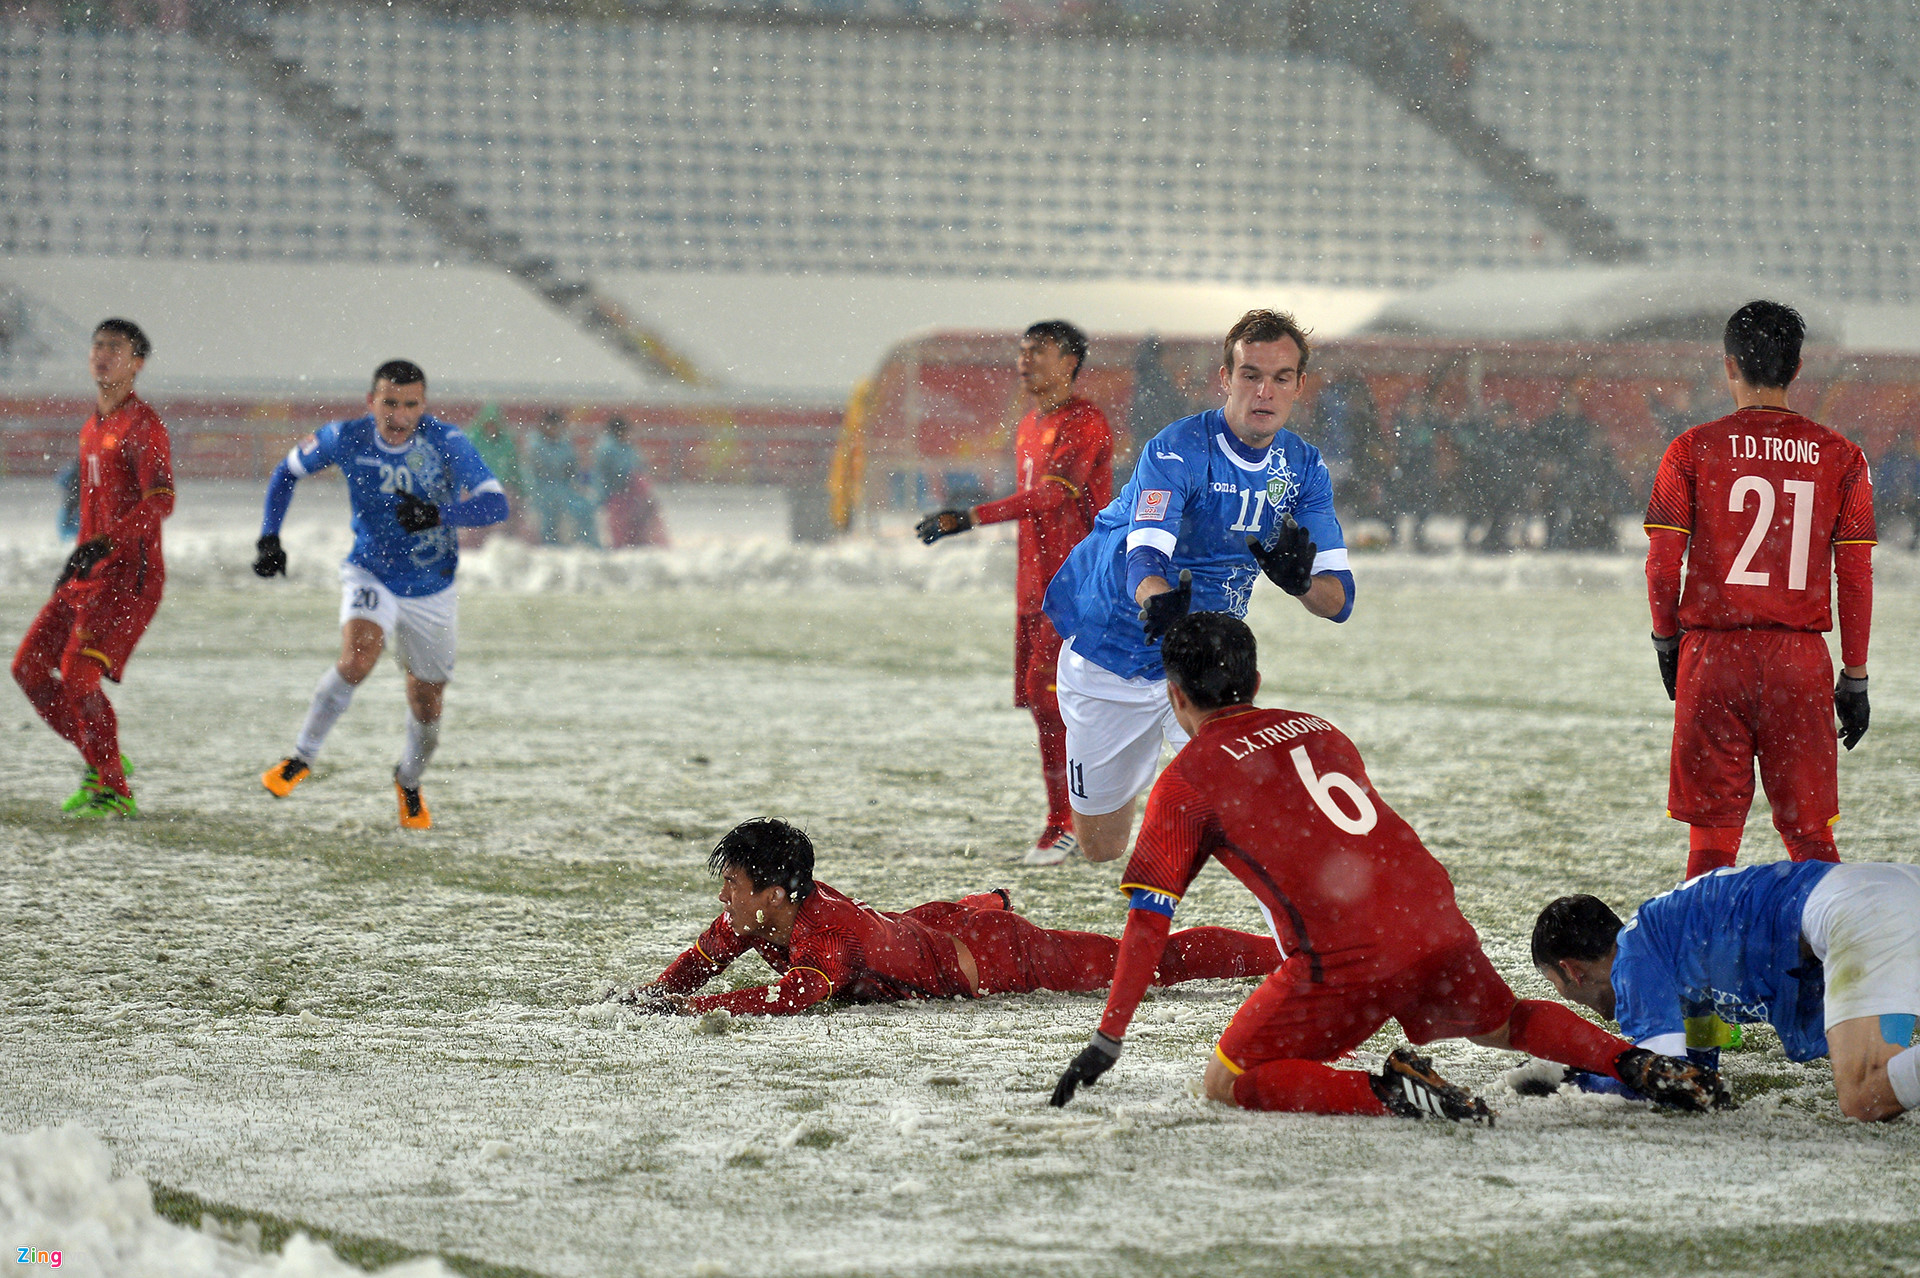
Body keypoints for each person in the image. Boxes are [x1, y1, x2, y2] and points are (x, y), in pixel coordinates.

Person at [1048, 613, 1728, 1119]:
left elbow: (1149, 921)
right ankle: (1638, 1064)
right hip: (1431, 917)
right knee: (1507, 1023)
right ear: (1255, 681)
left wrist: (1109, 1038)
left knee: (1229, 1080)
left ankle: (1392, 1093)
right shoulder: (1320, 728)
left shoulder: (1187, 780)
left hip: (1346, 958)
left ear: (1175, 697)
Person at [1040, 309, 1354, 867]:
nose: (1264, 391)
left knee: (1253, 820)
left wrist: (1302, 581)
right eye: (1250, 375)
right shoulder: (1176, 449)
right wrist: (1159, 602)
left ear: (1300, 385)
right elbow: (1143, 556)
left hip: (1206, 664)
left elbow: (1339, 602)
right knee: (1102, 847)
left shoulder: (1303, 468)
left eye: (1281, 377)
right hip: (1114, 648)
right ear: (1225, 378)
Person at [1644, 301, 1876, 879]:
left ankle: (1700, 938)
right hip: (1799, 660)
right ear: (1796, 369)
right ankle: (1831, 932)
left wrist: (1667, 642)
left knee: (1712, 836)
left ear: (1729, 365)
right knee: (1809, 833)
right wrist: (1854, 673)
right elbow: (1854, 576)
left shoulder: (1690, 449)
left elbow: (1662, 565)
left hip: (1713, 656)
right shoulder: (1842, 456)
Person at [612, 817, 1281, 1016]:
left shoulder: (826, 937)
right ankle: (979, 904)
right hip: (922, 929)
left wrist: (690, 1010)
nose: (722, 899)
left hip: (995, 958)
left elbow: (794, 996)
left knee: (1157, 962)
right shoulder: (757, 914)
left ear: (775, 895)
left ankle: (1288, 953)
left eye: (732, 885)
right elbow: (698, 962)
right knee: (910, 929)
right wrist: (651, 996)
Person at [251, 360, 508, 829]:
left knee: (427, 702)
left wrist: (439, 514)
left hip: (432, 587)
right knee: (357, 658)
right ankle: (300, 757)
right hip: (371, 573)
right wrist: (269, 537)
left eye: (410, 404)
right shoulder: (344, 438)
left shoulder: (446, 441)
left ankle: (408, 780)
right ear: (371, 401)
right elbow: (285, 472)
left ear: (423, 405)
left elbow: (496, 504)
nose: (399, 415)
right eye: (389, 403)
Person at [916, 320, 1115, 864]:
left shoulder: (1085, 422)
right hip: (1033, 586)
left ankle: (1069, 822)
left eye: (1039, 351)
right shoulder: (1029, 424)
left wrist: (971, 517)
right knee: (1041, 702)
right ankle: (1075, 816)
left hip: (1073, 586)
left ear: (1069, 362)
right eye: (1023, 351)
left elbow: (1052, 498)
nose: (1026, 361)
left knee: (1055, 699)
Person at [1533, 861, 1920, 1121]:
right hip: (1888, 887)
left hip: (1862, 910)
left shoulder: (1636, 957)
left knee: (1865, 1097)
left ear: (1572, 971)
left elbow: (1666, 1082)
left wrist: (1570, 1079)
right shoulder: (1667, 944)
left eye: (1555, 984)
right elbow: (1698, 1078)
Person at [11, 319, 172, 818]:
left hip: (128, 577)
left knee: (79, 677)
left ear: (136, 363)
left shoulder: (143, 426)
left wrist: (109, 541)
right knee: (29, 668)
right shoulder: (91, 427)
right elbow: (93, 507)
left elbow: (161, 501)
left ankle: (114, 791)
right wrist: (78, 556)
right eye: (98, 346)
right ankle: (102, 763)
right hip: (90, 572)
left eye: (115, 348)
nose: (103, 354)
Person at [525, 410, 600, 547]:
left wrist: (577, 483)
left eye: (557, 426)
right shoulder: (536, 446)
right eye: (552, 426)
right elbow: (531, 473)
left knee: (584, 509)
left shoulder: (565, 446)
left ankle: (586, 544)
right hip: (543, 490)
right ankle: (548, 545)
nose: (555, 430)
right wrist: (534, 491)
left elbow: (573, 470)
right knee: (548, 519)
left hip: (564, 489)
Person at [593, 414, 667, 548]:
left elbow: (638, 466)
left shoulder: (627, 447)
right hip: (618, 493)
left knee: (637, 518)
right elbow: (609, 474)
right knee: (621, 523)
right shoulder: (608, 449)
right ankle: (624, 544)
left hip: (631, 493)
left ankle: (637, 540)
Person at [467, 405, 523, 544]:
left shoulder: (507, 444)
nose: (491, 429)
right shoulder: (472, 441)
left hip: (502, 487)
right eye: (488, 424)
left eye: (493, 424)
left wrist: (520, 488)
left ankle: (500, 542)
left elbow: (514, 469)